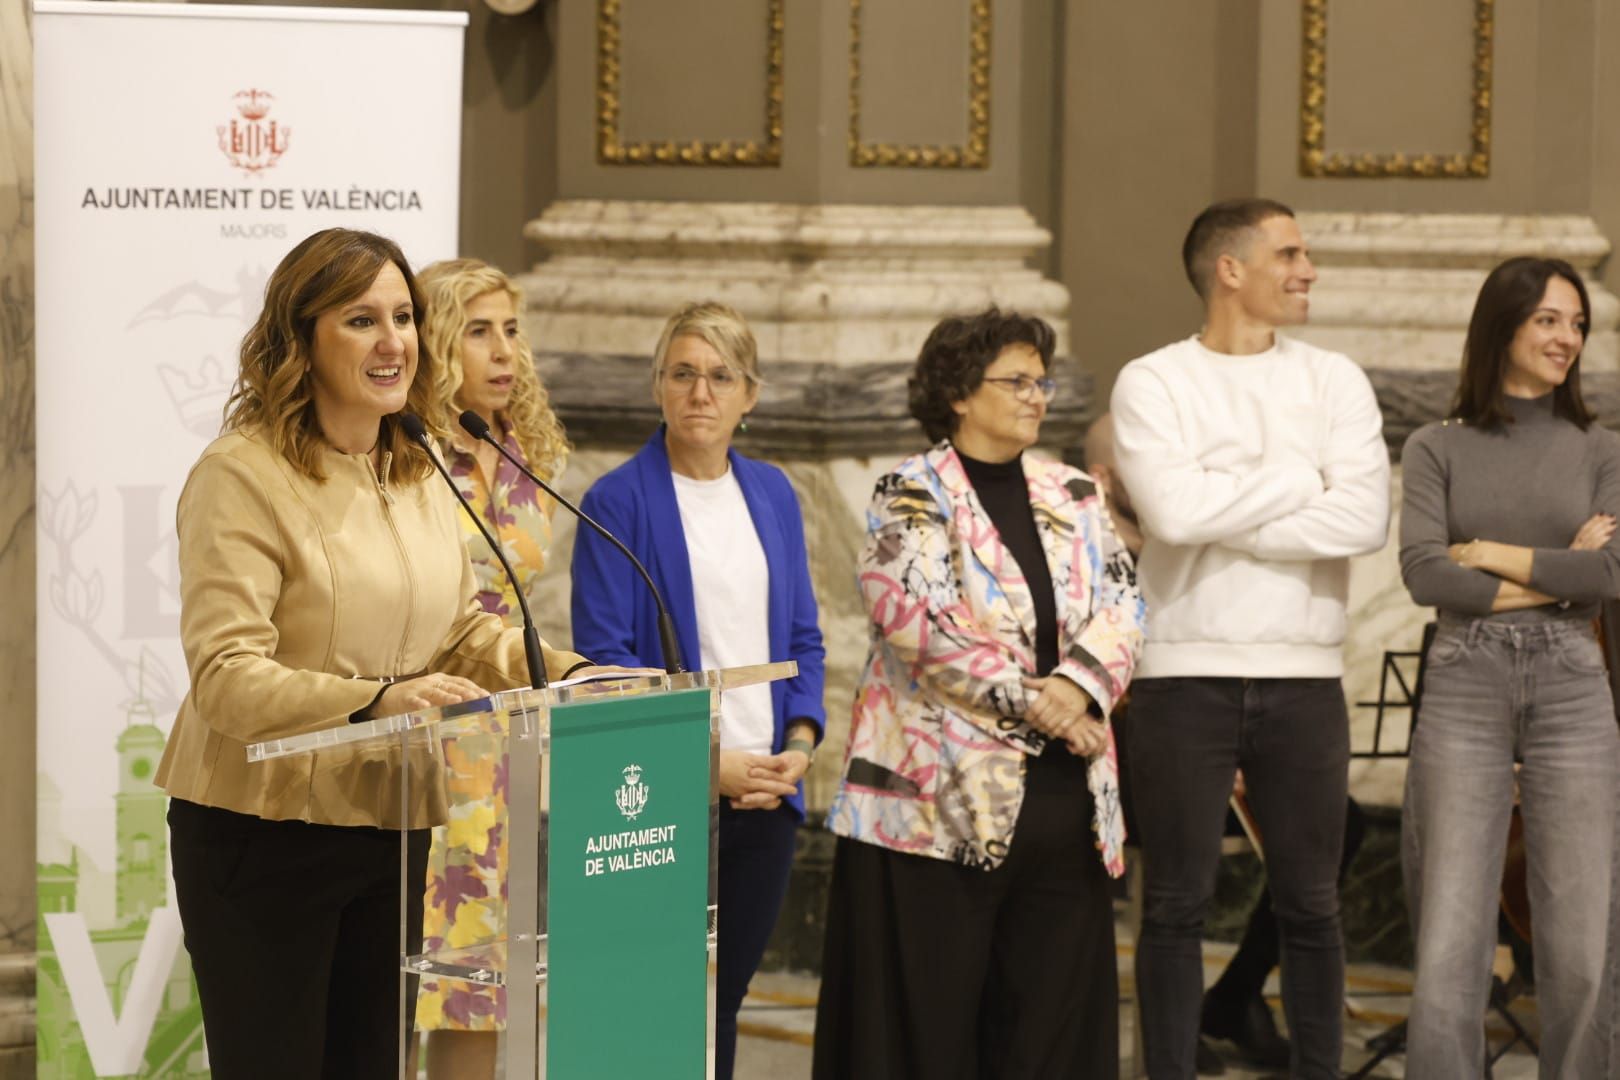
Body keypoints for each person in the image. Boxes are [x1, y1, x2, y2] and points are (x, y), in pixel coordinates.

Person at [156, 228, 602, 1080]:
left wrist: (574, 672)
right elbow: (225, 676)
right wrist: (373, 701)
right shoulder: (241, 475)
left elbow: (462, 634)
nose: (394, 339)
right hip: (262, 828)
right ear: (302, 339)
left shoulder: (420, 466)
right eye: (362, 320)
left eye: (403, 316)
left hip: (391, 822)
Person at [814, 308, 1146, 1079]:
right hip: (934, 811)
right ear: (960, 392)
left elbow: (1124, 604)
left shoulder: (1074, 492)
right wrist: (1047, 706)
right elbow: (921, 624)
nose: (1037, 396)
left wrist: (1080, 686)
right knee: (932, 1031)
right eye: (1017, 381)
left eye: (1042, 381)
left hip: (1066, 805)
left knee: (1047, 1029)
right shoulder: (909, 491)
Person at [1110, 198, 1391, 1080]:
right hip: (1180, 676)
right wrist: (1296, 479)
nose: (1308, 269)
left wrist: (1222, 501)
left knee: (1312, 906)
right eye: (1290, 253)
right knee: (1175, 908)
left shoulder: (1335, 380)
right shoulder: (1152, 381)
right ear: (1230, 268)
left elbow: (1365, 516)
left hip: (1303, 676)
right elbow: (1171, 513)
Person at [569, 301, 827, 1080]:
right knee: (660, 1006)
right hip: (662, 791)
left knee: (725, 1001)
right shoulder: (618, 501)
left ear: (750, 394)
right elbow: (607, 661)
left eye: (721, 376)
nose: (700, 393)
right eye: (683, 374)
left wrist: (799, 746)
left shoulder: (775, 494)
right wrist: (703, 763)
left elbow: (804, 640)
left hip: (766, 791)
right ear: (658, 386)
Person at [1398, 255, 1620, 1078]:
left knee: (1583, 936)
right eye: (1549, 320)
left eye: (1578, 324)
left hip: (1572, 682)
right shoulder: (1435, 446)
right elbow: (1425, 574)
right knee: (1452, 932)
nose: (1568, 338)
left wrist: (1489, 553)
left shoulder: (1602, 448)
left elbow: (1608, 576)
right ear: (1504, 325)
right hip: (1466, 675)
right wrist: (1553, 570)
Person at [410, 258, 573, 1079]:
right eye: (479, 331)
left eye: (511, 329)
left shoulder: (522, 450)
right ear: (437, 342)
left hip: (499, 746)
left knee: (479, 982)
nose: (504, 350)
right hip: (414, 733)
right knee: (402, 974)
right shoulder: (404, 454)